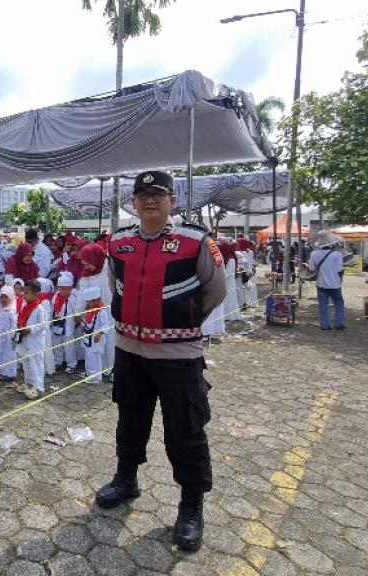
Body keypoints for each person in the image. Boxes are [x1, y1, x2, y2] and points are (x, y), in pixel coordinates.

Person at [96, 170, 226, 553]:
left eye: (158, 194)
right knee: (130, 419)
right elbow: (113, 285)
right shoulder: (117, 243)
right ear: (133, 203)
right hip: (130, 350)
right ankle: (126, 478)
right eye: (143, 195)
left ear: (173, 200)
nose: (150, 200)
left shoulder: (195, 241)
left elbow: (215, 290)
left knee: (185, 430)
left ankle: (190, 506)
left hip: (178, 355)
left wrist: (179, 322)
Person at [78, 242, 114, 374]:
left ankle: (109, 367)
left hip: (109, 310)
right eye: (84, 264)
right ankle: (94, 370)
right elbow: (82, 293)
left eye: (88, 263)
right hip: (93, 312)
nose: (86, 267)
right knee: (94, 342)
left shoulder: (109, 266)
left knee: (109, 337)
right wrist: (80, 311)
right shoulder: (86, 272)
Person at [15, 279, 49, 399]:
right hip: (25, 340)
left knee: (36, 364)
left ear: (36, 293)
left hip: (35, 342)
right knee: (26, 363)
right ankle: (28, 384)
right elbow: (21, 320)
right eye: (24, 292)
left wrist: (31, 329)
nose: (25, 295)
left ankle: (39, 388)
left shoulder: (40, 309)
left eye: (27, 293)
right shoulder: (25, 306)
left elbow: (44, 325)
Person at [305, 230, 346, 331]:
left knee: (323, 305)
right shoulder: (337, 255)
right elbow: (340, 270)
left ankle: (325, 325)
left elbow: (311, 269)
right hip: (335, 284)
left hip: (321, 283)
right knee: (339, 303)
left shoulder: (314, 254)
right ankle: (339, 323)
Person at [51, 271, 79, 374]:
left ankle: (71, 364)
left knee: (69, 346)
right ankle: (58, 361)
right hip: (57, 323)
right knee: (57, 344)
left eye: (65, 289)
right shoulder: (56, 297)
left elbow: (76, 312)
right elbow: (52, 308)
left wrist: (77, 322)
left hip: (68, 325)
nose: (62, 291)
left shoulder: (72, 298)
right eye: (60, 288)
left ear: (70, 289)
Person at [81, 286, 109, 382]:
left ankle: (96, 378)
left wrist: (100, 333)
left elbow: (106, 325)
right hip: (88, 337)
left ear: (96, 300)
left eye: (89, 301)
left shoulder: (101, 312)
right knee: (89, 356)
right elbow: (86, 321)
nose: (87, 303)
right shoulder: (89, 310)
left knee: (95, 357)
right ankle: (89, 374)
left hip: (96, 339)